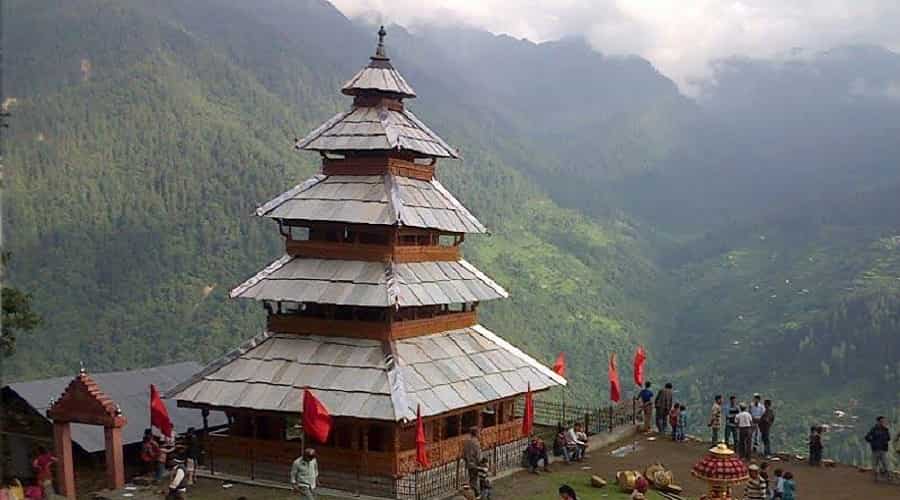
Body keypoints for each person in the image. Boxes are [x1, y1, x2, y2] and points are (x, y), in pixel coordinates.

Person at [864, 416, 891, 482]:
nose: (883, 422)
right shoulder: (873, 429)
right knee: (875, 464)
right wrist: (873, 442)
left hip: (883, 449)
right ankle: (875, 478)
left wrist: (884, 441)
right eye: (881, 421)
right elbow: (867, 437)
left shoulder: (885, 429)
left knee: (885, 463)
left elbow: (888, 438)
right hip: (875, 449)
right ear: (878, 421)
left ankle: (888, 477)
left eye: (883, 421)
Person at [463, 427, 482, 497]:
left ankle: (472, 493)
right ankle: (475, 494)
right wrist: (480, 463)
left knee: (471, 478)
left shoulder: (467, 442)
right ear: (476, 433)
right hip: (475, 464)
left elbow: (464, 454)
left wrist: (467, 460)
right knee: (474, 480)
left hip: (469, 463)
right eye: (479, 433)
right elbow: (478, 455)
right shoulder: (476, 443)